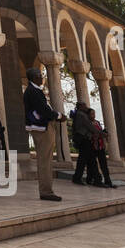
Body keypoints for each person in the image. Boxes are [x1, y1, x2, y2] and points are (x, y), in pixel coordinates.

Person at [24, 68, 68, 201]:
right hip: (42, 128)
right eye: (40, 75)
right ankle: (46, 191)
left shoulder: (35, 90)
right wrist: (58, 115)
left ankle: (46, 190)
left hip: (42, 127)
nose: (42, 77)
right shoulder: (33, 91)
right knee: (44, 161)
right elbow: (43, 110)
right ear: (34, 77)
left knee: (46, 160)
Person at [71, 104, 100, 186]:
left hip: (84, 140)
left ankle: (91, 179)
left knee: (86, 160)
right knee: (87, 160)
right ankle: (96, 180)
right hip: (84, 140)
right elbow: (89, 126)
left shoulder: (79, 115)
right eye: (84, 106)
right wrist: (100, 133)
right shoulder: (81, 115)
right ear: (80, 107)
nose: (86, 107)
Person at [91, 108, 115, 188]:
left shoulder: (97, 122)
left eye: (94, 114)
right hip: (93, 146)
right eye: (91, 114)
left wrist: (104, 133)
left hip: (100, 146)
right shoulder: (89, 123)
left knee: (104, 165)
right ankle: (97, 180)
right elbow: (94, 133)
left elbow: (100, 132)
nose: (93, 115)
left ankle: (108, 181)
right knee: (94, 165)